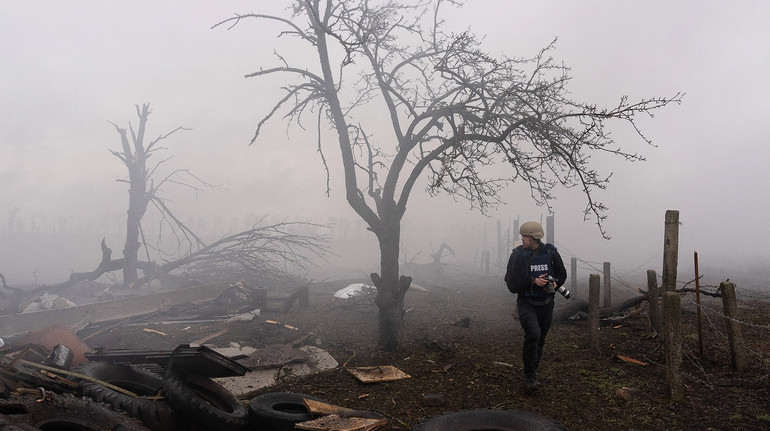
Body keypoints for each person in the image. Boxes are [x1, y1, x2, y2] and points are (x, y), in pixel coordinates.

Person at [504, 221, 567, 392]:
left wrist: (554, 283)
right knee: (533, 333)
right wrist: (532, 281)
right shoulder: (517, 255)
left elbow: (562, 274)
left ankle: (534, 369)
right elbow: (510, 283)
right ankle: (529, 375)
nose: (522, 239)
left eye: (525, 236)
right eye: (522, 236)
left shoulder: (550, 252)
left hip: (546, 303)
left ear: (535, 238)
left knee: (541, 339)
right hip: (526, 303)